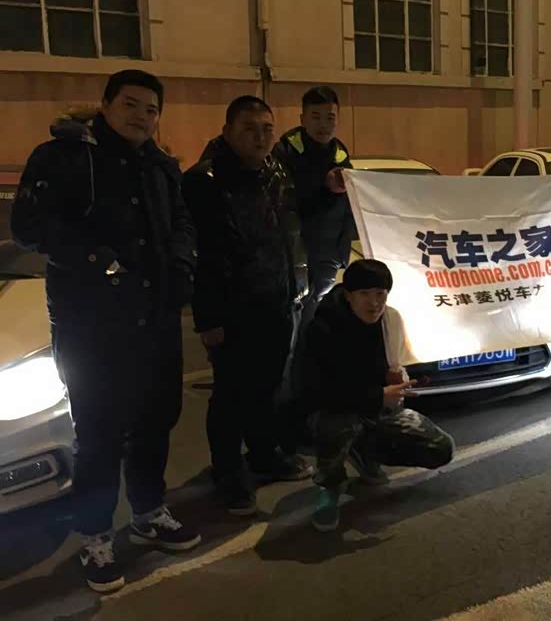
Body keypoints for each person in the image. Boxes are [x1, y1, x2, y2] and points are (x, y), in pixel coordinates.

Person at [11, 70, 200, 593]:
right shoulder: (65, 158)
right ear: (106, 105)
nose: (142, 116)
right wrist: (100, 260)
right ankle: (95, 536)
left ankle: (148, 511)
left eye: (151, 109)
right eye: (131, 105)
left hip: (156, 318)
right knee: (99, 433)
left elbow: (182, 222)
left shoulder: (160, 165)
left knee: (156, 420)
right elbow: (29, 227)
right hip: (92, 323)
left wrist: (182, 263)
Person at [182, 96, 313, 517]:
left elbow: (288, 234)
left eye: (266, 128)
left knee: (267, 386)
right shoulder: (204, 181)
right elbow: (201, 256)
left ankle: (263, 455)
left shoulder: (275, 172)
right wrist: (209, 319)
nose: (260, 136)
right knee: (231, 394)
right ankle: (227, 473)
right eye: (249, 128)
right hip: (233, 310)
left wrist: (295, 288)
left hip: (277, 299)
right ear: (227, 132)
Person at [297, 259, 455, 532]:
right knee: (335, 424)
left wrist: (397, 379)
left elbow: (394, 365)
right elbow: (318, 391)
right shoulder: (323, 328)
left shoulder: (391, 319)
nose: (374, 303)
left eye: (380, 294)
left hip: (378, 407)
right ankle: (329, 486)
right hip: (335, 407)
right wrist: (379, 395)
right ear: (349, 295)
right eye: (364, 294)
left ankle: (363, 452)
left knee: (440, 448)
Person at [273, 86, 354, 302]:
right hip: (293, 253)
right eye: (316, 117)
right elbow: (281, 200)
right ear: (303, 119)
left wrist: (342, 251)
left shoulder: (340, 155)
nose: (323, 125)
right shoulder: (285, 152)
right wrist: (323, 185)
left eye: (330, 118)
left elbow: (348, 209)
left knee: (318, 310)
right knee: (295, 310)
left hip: (328, 256)